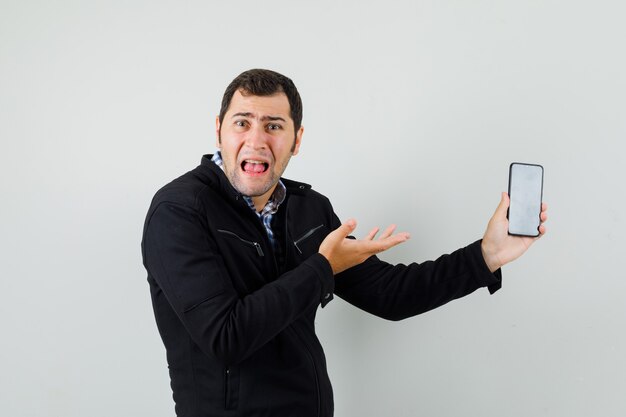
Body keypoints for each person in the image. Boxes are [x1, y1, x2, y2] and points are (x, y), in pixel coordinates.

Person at [141, 68, 548, 417]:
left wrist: (487, 255)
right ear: (219, 130)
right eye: (242, 122)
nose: (257, 139)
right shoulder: (179, 211)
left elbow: (391, 295)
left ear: (296, 139)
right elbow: (225, 337)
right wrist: (322, 269)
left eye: (274, 125)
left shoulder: (309, 209)